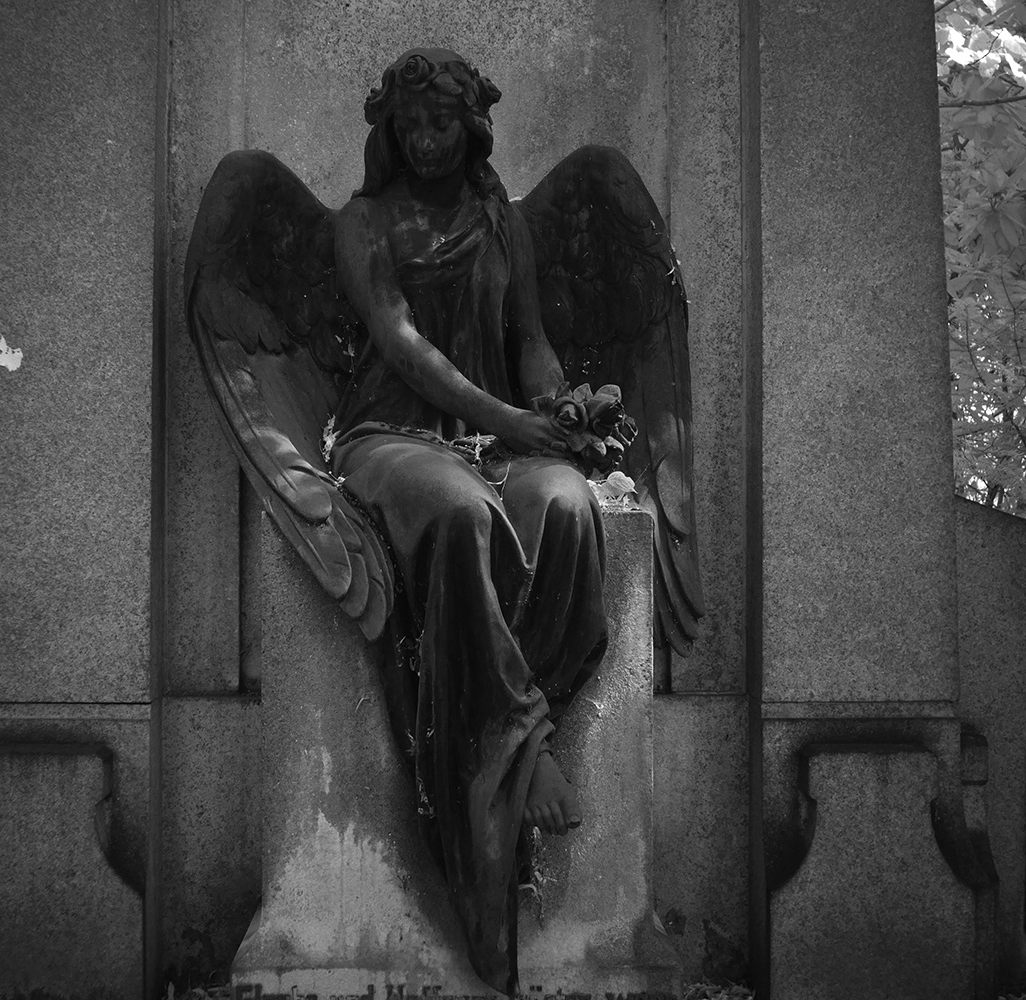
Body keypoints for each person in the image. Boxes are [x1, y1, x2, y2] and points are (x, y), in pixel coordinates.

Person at [329, 48, 609, 993]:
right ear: (389, 132)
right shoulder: (359, 222)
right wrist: (509, 421)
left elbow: (530, 347)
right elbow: (401, 349)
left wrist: (565, 417)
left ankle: (502, 742)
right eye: (408, 126)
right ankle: (519, 751)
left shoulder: (502, 221)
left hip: (499, 440)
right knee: (457, 517)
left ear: (472, 126)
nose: (425, 139)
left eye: (441, 124)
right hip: (390, 440)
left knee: (568, 509)